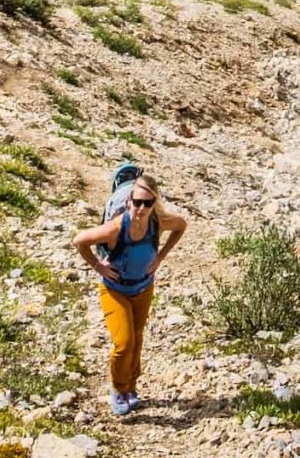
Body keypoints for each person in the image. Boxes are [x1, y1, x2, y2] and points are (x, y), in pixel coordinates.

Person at [72, 169, 189, 417]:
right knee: (124, 343)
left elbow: (181, 226)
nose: (141, 208)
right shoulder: (116, 227)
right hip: (115, 290)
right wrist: (97, 265)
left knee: (137, 338)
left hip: (143, 287)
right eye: (137, 202)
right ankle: (118, 388)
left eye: (147, 203)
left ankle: (131, 387)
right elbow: (80, 240)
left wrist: (161, 256)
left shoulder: (158, 223)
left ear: (153, 204)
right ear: (129, 202)